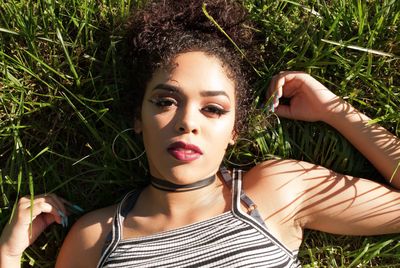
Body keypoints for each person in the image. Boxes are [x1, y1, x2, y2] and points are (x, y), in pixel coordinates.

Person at [1, 0, 400, 267]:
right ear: (138, 117)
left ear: (234, 131)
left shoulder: (278, 190)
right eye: (165, 101)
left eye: (213, 109)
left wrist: (336, 111)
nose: (187, 121)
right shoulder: (95, 238)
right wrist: (8, 253)